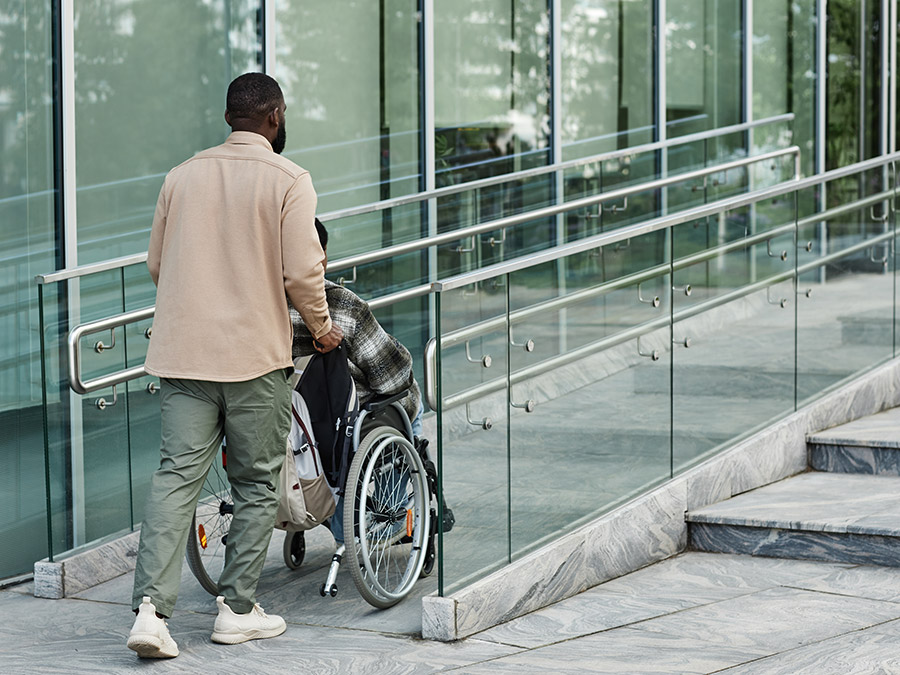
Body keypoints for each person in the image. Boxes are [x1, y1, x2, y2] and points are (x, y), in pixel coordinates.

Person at [127, 73, 342, 659]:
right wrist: (321, 331)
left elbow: (156, 263)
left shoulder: (181, 176)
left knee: (176, 479)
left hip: (184, 355)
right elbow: (303, 273)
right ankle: (236, 611)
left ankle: (150, 612)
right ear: (273, 116)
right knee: (254, 481)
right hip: (252, 358)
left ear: (230, 117)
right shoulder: (289, 179)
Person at [290, 219, 453, 543]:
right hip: (339, 423)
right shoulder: (341, 306)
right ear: (321, 258)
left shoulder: (256, 309)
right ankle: (389, 514)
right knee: (409, 405)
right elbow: (392, 376)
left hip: (282, 419)